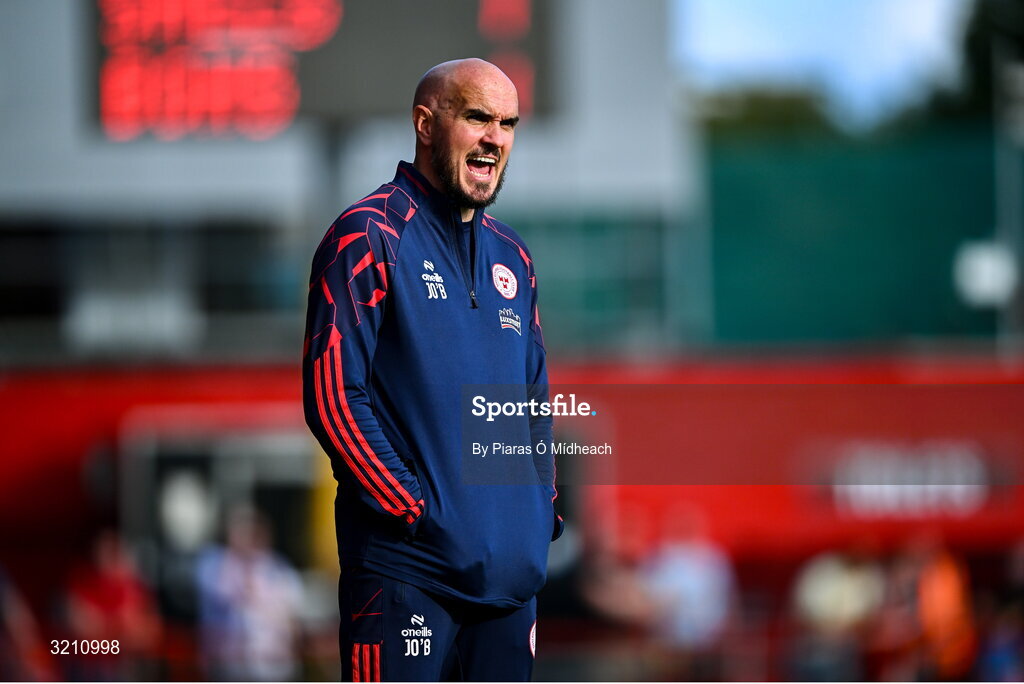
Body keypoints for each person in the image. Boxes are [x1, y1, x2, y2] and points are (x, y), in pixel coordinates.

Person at [302, 58, 562, 682]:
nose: (495, 138)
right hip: (406, 578)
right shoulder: (366, 236)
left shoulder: (513, 257)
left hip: (508, 590)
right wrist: (416, 510)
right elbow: (334, 395)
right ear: (426, 123)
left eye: (508, 123)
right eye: (477, 117)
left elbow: (532, 404)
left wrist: (537, 513)